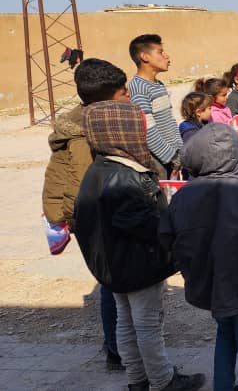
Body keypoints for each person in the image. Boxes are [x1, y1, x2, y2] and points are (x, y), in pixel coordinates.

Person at [74, 100, 205, 391]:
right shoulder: (123, 176)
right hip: (138, 264)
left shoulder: (99, 169)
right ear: (124, 132)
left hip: (115, 264)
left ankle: (137, 379)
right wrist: (176, 229)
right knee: (147, 323)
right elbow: (144, 225)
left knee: (127, 321)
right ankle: (162, 380)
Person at [161, 123, 238, 391]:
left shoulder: (182, 197)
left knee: (224, 335)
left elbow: (168, 240)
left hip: (211, 284)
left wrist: (189, 270)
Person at [42, 58, 130, 370]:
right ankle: (118, 351)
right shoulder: (85, 134)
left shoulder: (85, 120)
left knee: (113, 282)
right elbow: (84, 187)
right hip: (96, 217)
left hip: (93, 215)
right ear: (106, 98)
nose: (128, 97)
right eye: (123, 93)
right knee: (112, 283)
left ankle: (119, 345)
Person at [127, 34, 181, 179]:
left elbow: (169, 122)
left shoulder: (158, 85)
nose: (167, 56)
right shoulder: (138, 88)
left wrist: (179, 150)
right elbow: (148, 131)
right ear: (145, 57)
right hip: (157, 162)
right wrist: (171, 156)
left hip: (172, 159)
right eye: (160, 52)